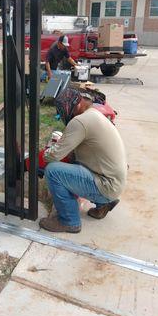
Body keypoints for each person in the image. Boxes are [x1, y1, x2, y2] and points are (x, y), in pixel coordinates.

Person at [39, 88, 128, 233]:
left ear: (77, 106)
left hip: (107, 185)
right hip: (114, 182)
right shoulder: (93, 114)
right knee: (75, 161)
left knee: (53, 171)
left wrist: (48, 151)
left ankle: (69, 221)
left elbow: (53, 156)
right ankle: (104, 204)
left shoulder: (80, 121)